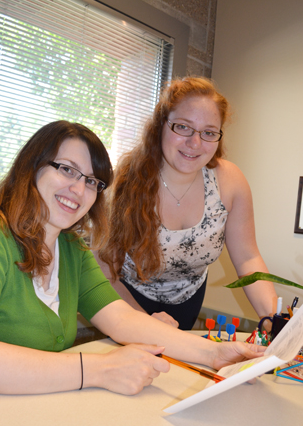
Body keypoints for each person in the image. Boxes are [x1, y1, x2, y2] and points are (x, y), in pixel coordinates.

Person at [0, 120, 266, 426]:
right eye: (68, 170)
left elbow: (119, 317)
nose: (79, 189)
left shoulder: (71, 249)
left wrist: (212, 354)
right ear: (32, 166)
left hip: (29, 422)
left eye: (91, 181)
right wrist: (100, 369)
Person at [98, 77, 277, 330]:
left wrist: (274, 318)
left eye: (208, 132)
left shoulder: (230, 182)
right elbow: (105, 274)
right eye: (183, 127)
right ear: (161, 125)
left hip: (188, 300)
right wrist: (145, 323)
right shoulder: (126, 183)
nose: (195, 143)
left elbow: (248, 260)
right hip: (125, 299)